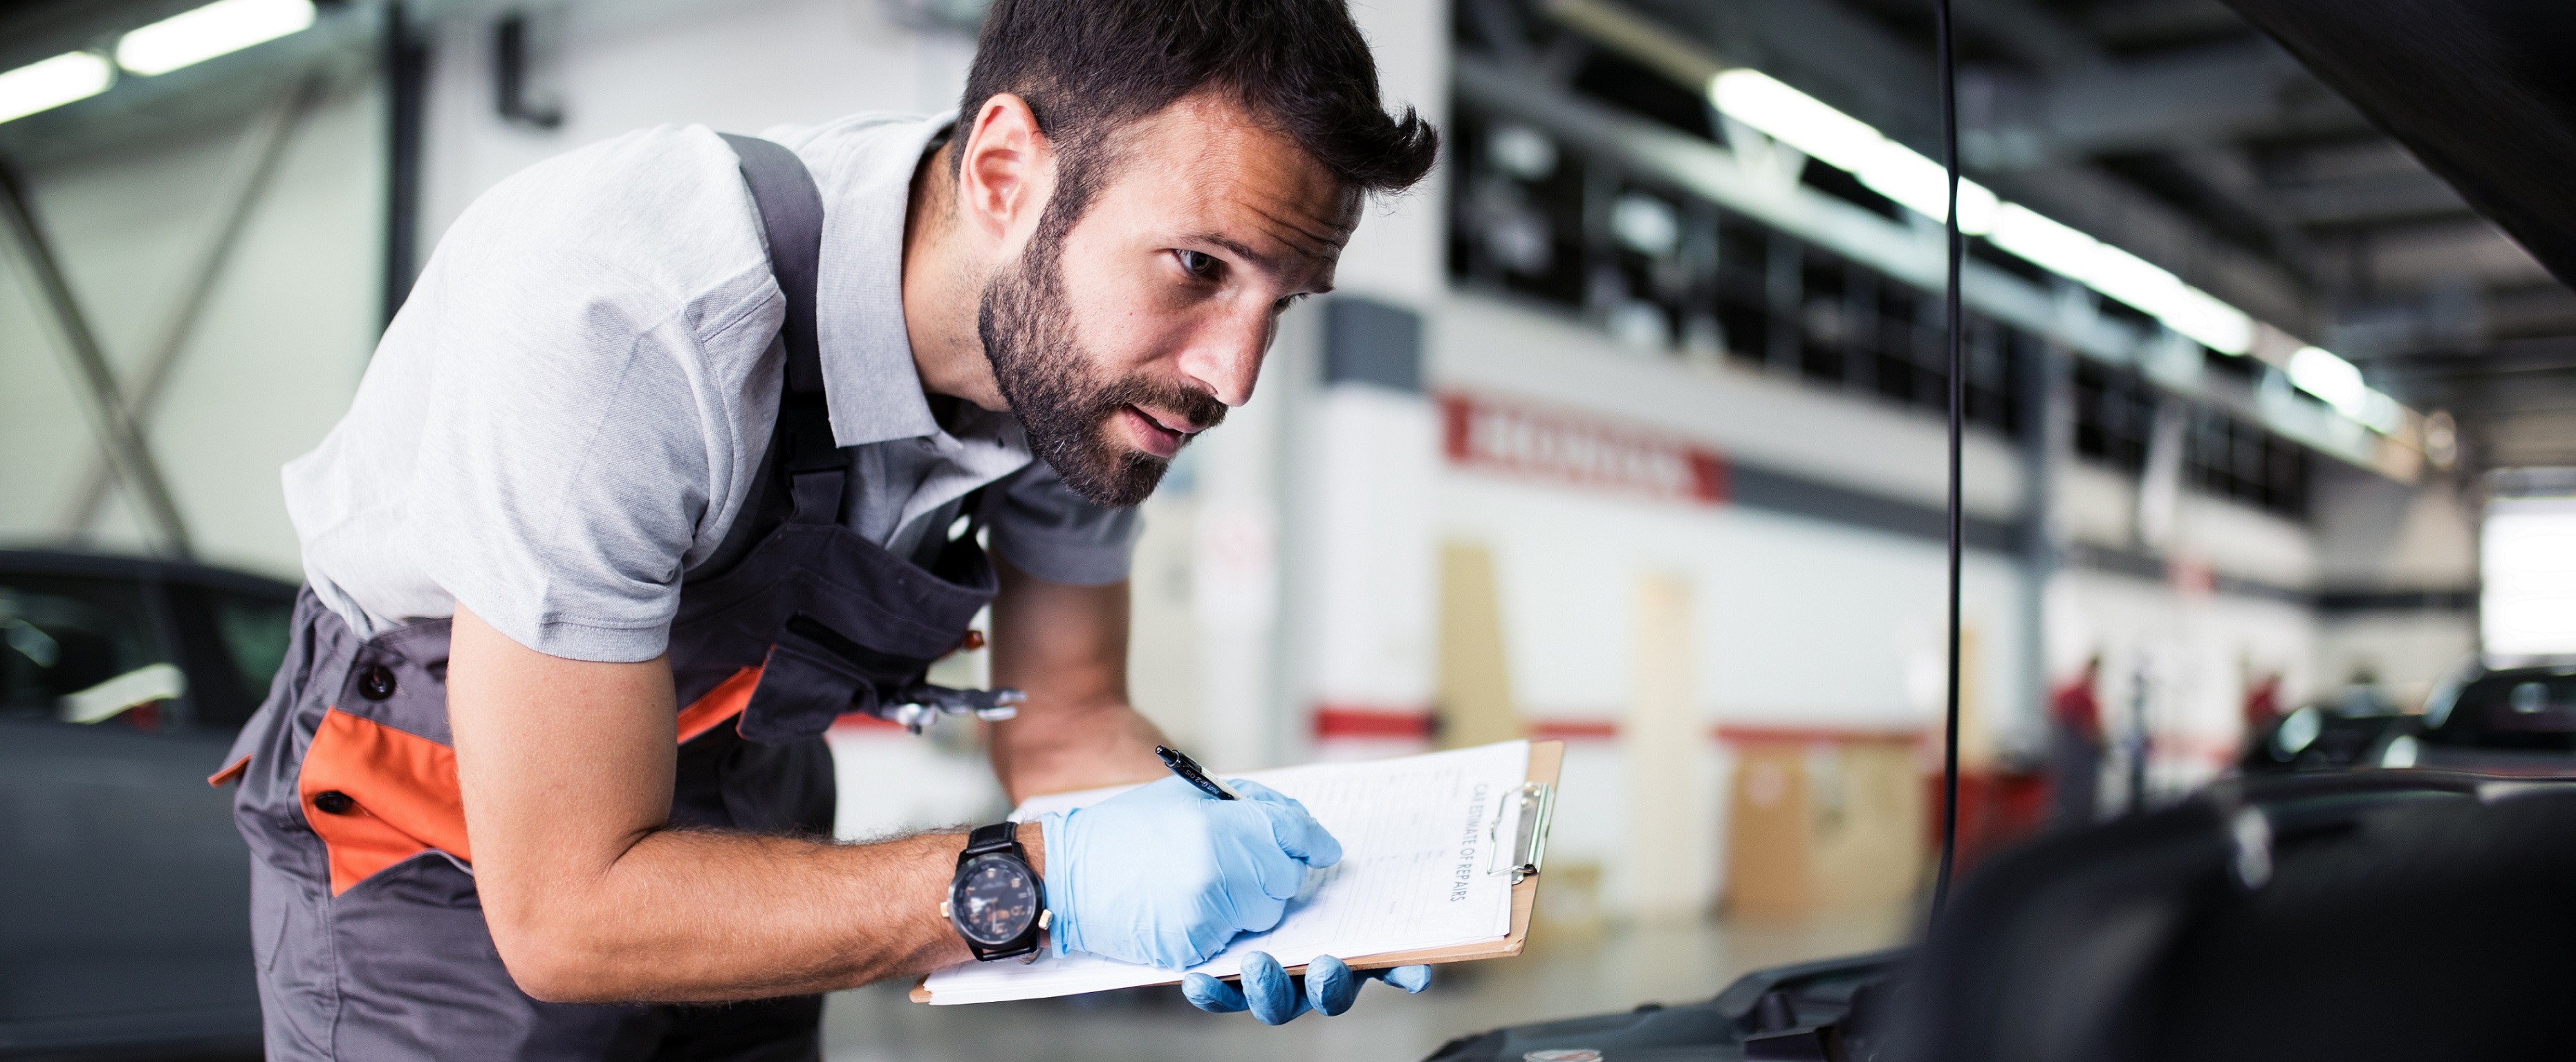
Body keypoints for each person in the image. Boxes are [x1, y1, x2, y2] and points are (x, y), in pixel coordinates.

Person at [208, 0, 1440, 1056]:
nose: (1233, 376)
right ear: (1006, 173)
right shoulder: (625, 321)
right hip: (449, 835)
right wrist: (1040, 883)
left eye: (1283, 300)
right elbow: (568, 911)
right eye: (1196, 266)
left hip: (753, 786)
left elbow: (1066, 723)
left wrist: (1245, 886)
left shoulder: (1091, 377)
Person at [2048, 655, 2104, 828]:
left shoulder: (2074, 694)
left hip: (2072, 762)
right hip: (2077, 763)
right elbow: (2090, 731)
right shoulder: (2079, 696)